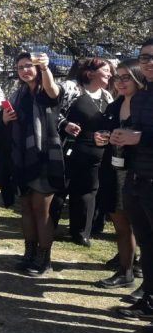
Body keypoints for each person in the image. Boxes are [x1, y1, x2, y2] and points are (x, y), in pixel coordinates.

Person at [1, 51, 64, 275]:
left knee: (42, 210)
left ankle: (44, 259)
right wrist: (5, 119)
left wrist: (46, 68)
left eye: (29, 66)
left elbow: (53, 91)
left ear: (37, 68)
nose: (25, 70)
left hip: (44, 157)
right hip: (21, 159)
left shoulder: (46, 92)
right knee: (26, 208)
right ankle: (29, 254)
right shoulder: (18, 94)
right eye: (20, 67)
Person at [95, 59, 145, 289]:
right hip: (114, 170)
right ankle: (124, 271)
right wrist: (101, 139)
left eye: (127, 77)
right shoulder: (114, 106)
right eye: (118, 77)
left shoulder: (145, 105)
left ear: (137, 78)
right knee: (120, 223)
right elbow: (105, 133)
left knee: (139, 225)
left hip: (138, 171)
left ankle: (138, 269)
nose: (121, 82)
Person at [114, 39, 153, 320]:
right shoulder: (141, 97)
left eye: (152, 58)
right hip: (137, 180)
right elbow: (137, 133)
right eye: (143, 58)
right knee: (148, 245)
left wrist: (140, 137)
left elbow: (143, 136)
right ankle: (148, 300)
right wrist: (121, 137)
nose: (148, 63)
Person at [58, 58, 114, 246]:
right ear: (91, 73)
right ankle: (49, 225)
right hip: (69, 149)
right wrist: (64, 124)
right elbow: (50, 109)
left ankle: (81, 231)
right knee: (60, 190)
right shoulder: (71, 89)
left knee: (89, 191)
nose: (110, 74)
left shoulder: (107, 96)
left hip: (96, 152)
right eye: (106, 70)